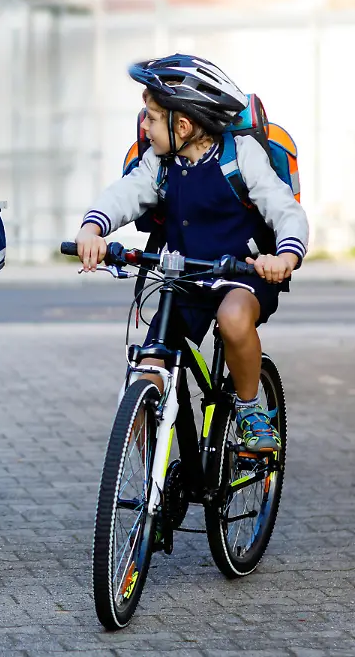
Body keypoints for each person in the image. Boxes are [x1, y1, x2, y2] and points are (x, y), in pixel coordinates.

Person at [74, 54, 310, 453]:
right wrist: (93, 227)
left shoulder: (241, 156)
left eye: (150, 118)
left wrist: (283, 258)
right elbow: (125, 194)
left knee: (233, 319)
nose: (144, 127)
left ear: (182, 125)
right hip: (184, 278)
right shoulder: (160, 164)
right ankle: (152, 468)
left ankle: (251, 410)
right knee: (148, 367)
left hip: (246, 274)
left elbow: (285, 210)